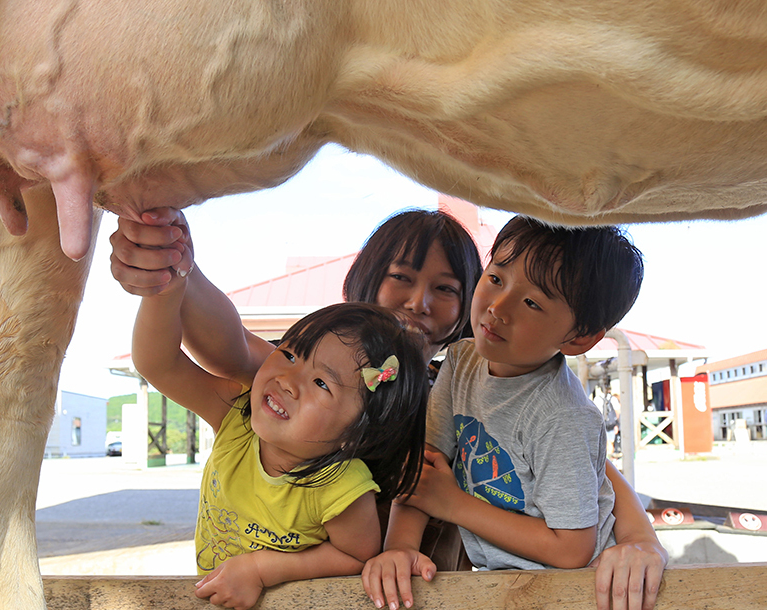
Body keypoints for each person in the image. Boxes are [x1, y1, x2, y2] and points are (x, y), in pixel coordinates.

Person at [109, 207, 667, 610]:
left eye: (445, 288)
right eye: (401, 278)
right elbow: (229, 349)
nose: (418, 301)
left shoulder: (460, 382)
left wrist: (640, 541)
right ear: (364, 280)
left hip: (422, 589)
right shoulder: (311, 381)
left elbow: (589, 464)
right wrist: (176, 264)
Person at [361, 215, 651, 609]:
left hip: (579, 587)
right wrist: (399, 549)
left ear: (579, 337)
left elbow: (572, 550)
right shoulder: (462, 361)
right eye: (496, 279)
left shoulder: (562, 417)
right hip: (506, 579)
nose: (497, 307)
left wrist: (454, 504)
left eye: (532, 302)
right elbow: (424, 472)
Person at [129, 264, 430, 610]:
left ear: (358, 433)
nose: (288, 379)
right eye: (289, 353)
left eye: (321, 383)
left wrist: (261, 570)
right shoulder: (236, 419)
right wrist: (164, 291)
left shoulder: (342, 486)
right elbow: (158, 364)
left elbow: (356, 556)